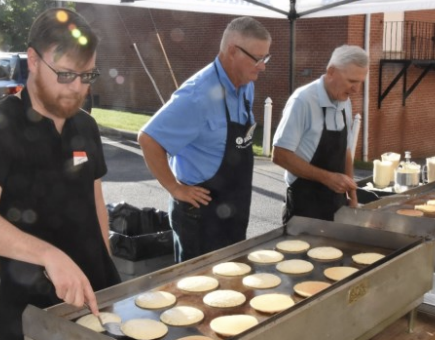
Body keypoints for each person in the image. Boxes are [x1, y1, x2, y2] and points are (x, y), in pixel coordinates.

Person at [0, 8, 120, 340]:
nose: (77, 88)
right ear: (33, 60)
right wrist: (48, 255)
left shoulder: (85, 126)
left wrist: (109, 273)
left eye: (88, 75)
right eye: (66, 74)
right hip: (32, 312)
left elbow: (95, 203)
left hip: (96, 295)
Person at [138, 17, 271, 262]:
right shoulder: (197, 96)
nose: (262, 66)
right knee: (197, 293)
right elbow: (148, 139)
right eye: (258, 58)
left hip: (233, 210)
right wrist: (175, 188)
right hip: (200, 219)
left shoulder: (246, 85)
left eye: (266, 58)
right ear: (232, 51)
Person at [272, 44, 368, 223]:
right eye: (352, 81)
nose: (356, 89)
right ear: (331, 72)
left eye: (360, 82)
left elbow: (346, 150)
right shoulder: (303, 101)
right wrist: (328, 178)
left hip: (338, 204)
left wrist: (352, 195)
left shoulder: (344, 100)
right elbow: (280, 155)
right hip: (304, 207)